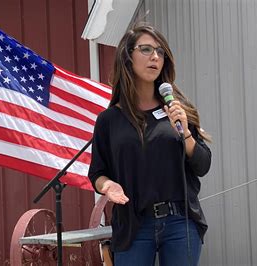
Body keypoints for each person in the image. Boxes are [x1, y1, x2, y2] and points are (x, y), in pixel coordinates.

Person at [88, 23, 212, 266]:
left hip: (180, 223)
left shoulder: (178, 110)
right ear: (128, 57)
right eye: (146, 49)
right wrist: (108, 185)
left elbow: (203, 165)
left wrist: (186, 132)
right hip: (134, 226)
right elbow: (97, 173)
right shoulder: (109, 120)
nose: (155, 56)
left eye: (160, 51)